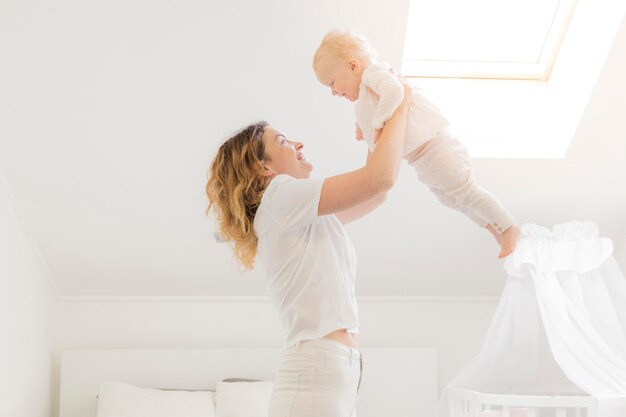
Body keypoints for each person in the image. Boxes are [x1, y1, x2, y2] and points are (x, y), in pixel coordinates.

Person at [205, 81, 412, 417]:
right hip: (319, 367)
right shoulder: (279, 196)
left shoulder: (295, 213)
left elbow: (378, 192)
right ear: (263, 168)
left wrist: (374, 124)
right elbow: (381, 179)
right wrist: (400, 103)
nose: (299, 144)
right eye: (284, 142)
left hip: (331, 369)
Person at [313, 29, 521, 259]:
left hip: (438, 149)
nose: (333, 92)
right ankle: (496, 229)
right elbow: (374, 122)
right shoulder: (363, 99)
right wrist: (362, 127)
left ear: (353, 66)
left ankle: (510, 227)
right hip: (423, 161)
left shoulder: (373, 73)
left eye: (332, 83)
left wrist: (377, 122)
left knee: (466, 192)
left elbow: (395, 91)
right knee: (452, 200)